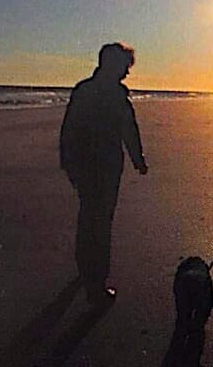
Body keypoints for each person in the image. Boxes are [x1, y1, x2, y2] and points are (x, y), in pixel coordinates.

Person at [60, 42, 148, 304]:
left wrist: (68, 163)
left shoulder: (83, 90)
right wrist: (138, 159)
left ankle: (86, 271)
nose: (127, 72)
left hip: (85, 167)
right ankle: (96, 285)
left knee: (88, 218)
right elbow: (128, 130)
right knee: (100, 222)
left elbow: (68, 130)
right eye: (124, 66)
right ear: (112, 64)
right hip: (103, 167)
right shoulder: (115, 95)